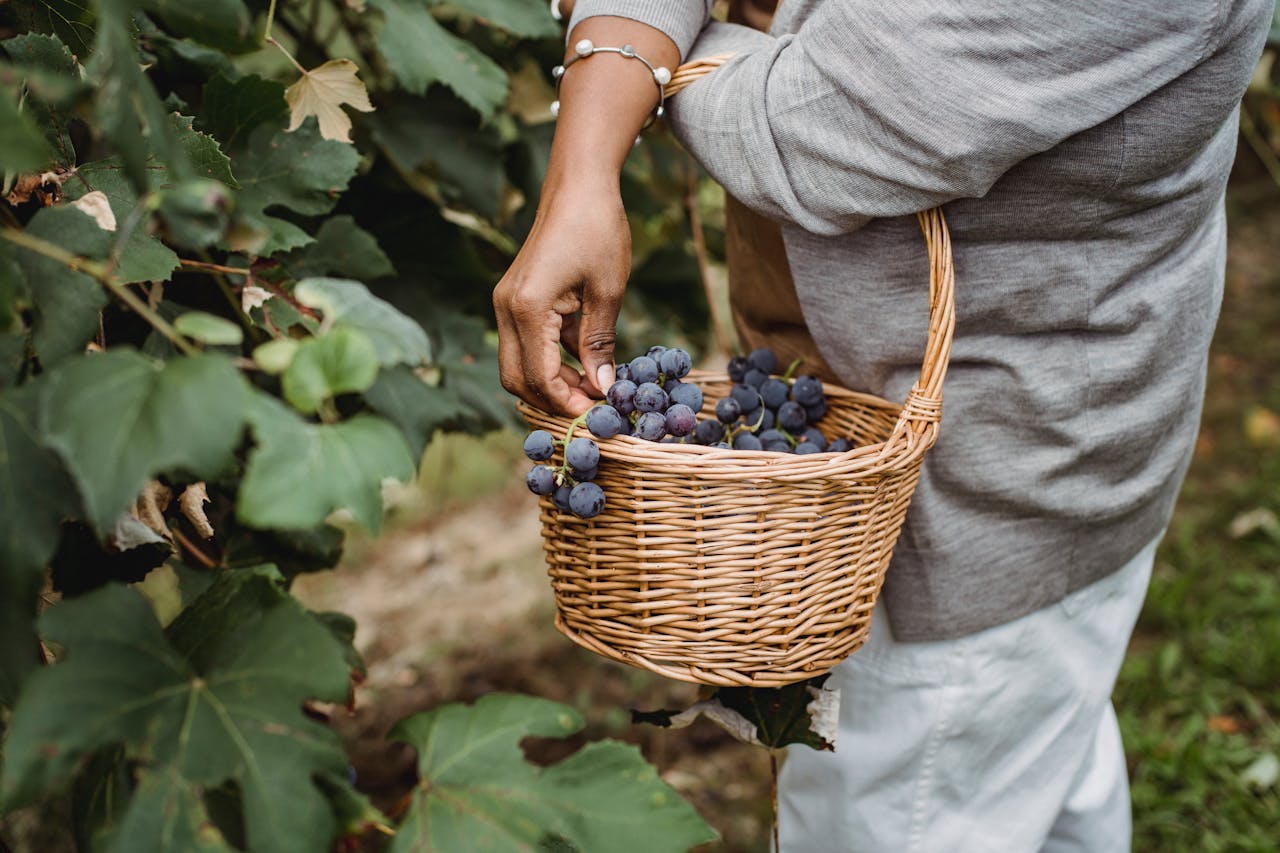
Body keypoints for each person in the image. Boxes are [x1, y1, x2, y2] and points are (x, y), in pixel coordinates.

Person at [492, 1, 1273, 850]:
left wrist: (624, 59)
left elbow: (809, 122)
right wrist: (595, 142)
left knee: (926, 772)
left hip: (992, 487)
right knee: (1029, 755)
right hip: (858, 439)